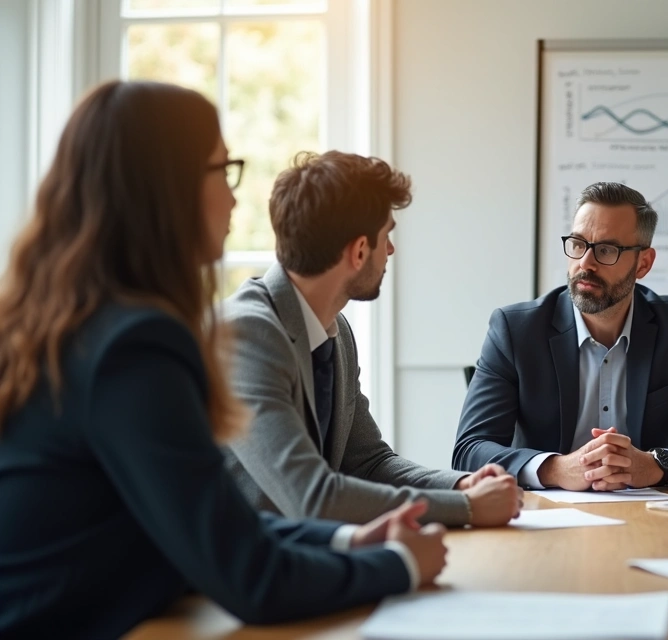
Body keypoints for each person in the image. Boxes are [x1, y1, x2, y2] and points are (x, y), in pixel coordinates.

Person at [0, 81, 447, 638]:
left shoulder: (87, 323)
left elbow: (214, 523)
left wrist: (348, 539)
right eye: (224, 168)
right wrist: (401, 564)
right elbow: (250, 577)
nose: (236, 197)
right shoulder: (135, 346)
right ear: (168, 189)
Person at [222, 150, 521, 527]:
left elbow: (369, 462)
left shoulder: (336, 330)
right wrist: (467, 508)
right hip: (231, 574)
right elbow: (310, 497)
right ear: (360, 250)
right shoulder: (246, 334)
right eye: (387, 236)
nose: (391, 250)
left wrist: (461, 486)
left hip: (309, 557)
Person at [452, 182, 668, 490]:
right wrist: (556, 469)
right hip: (543, 517)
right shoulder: (516, 331)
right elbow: (469, 450)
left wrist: (655, 466)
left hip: (648, 516)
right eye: (578, 244)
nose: (585, 262)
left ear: (643, 263)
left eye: (607, 250)